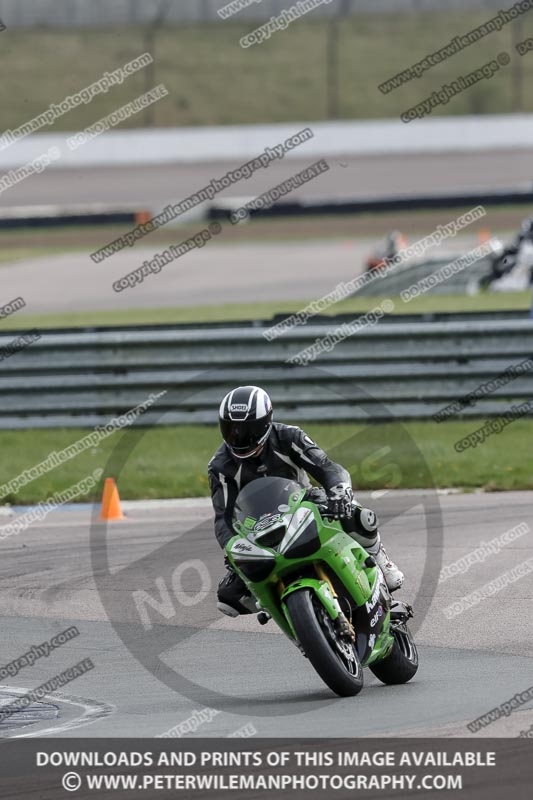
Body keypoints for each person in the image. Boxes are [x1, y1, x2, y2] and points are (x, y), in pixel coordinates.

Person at [208, 385, 404, 618]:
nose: (237, 437)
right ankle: (280, 611)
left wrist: (339, 491)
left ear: (265, 423)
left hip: (303, 505)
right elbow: (223, 517)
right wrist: (232, 547)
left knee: (359, 517)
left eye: (246, 429)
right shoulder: (220, 465)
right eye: (230, 429)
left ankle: (381, 562)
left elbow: (327, 468)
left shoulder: (289, 436)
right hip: (256, 527)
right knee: (229, 598)